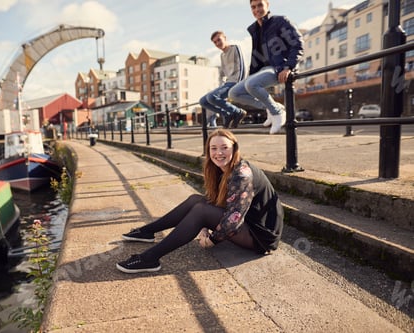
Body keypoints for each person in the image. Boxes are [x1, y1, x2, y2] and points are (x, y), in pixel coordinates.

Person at [116, 129, 284, 273]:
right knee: (195, 200)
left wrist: (212, 240)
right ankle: (147, 231)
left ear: (235, 149)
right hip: (247, 223)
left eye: (224, 148)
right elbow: (217, 201)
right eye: (214, 148)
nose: (219, 153)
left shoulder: (242, 174)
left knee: (201, 211)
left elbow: (233, 221)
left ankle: (149, 259)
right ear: (208, 151)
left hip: (261, 237)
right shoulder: (221, 169)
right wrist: (204, 226)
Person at [228, 0, 304, 134]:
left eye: (260, 5)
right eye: (253, 7)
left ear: (267, 5)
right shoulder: (255, 29)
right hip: (261, 70)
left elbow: (298, 44)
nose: (256, 9)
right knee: (233, 93)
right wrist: (252, 73)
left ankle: (277, 112)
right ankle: (273, 107)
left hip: (278, 67)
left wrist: (288, 67)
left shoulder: (280, 21)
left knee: (251, 84)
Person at [199, 31, 247, 129]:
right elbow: (222, 74)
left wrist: (239, 84)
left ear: (225, 38)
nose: (217, 43)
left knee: (212, 97)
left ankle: (238, 112)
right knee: (203, 101)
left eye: (219, 40)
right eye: (215, 42)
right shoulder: (222, 56)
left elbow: (243, 67)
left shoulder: (235, 48)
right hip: (227, 83)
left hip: (237, 82)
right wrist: (220, 88)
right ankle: (227, 114)